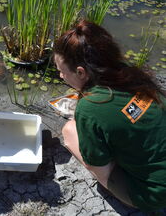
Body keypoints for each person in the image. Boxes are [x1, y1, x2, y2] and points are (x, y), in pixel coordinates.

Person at [53, 20, 166, 212]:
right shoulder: (133, 73)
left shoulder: (90, 107)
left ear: (81, 72)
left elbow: (97, 165)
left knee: (70, 130)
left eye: (61, 71)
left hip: (154, 194)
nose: (61, 76)